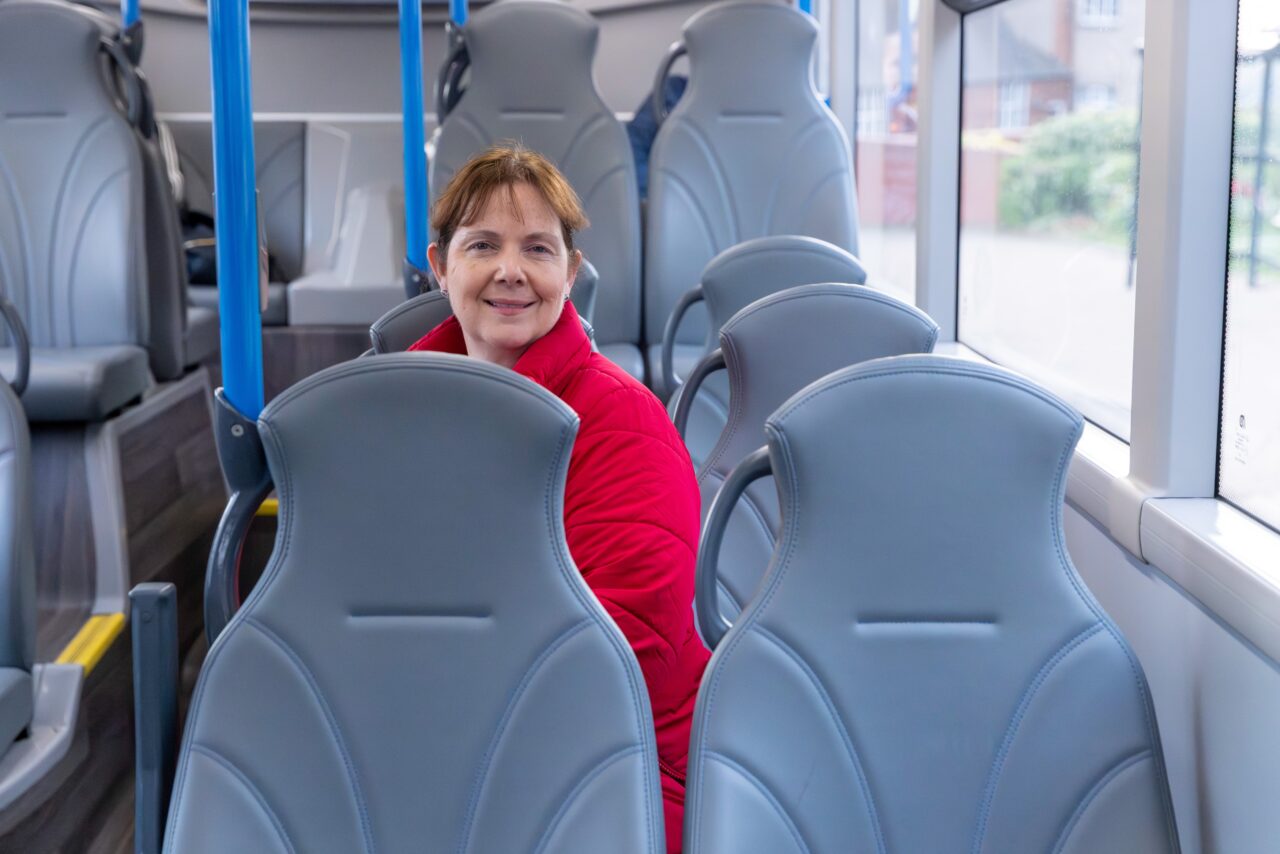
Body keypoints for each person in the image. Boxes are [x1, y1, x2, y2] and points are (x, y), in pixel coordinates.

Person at [408, 144, 709, 853]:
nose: (510, 270)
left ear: (568, 275)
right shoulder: (402, 414)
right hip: (452, 746)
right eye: (483, 244)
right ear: (440, 264)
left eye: (537, 249)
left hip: (613, 766)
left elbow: (623, 658)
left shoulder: (624, 423)